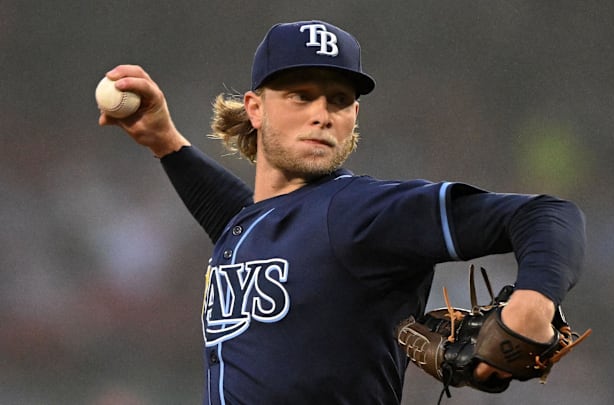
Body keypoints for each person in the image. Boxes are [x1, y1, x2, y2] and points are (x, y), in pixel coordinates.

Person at [98, 20, 585, 405]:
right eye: (300, 95)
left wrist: (535, 299)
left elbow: (548, 216)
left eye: (339, 99)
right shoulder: (254, 224)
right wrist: (166, 142)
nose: (321, 113)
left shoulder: (361, 213)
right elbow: (237, 216)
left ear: (355, 116)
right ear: (255, 108)